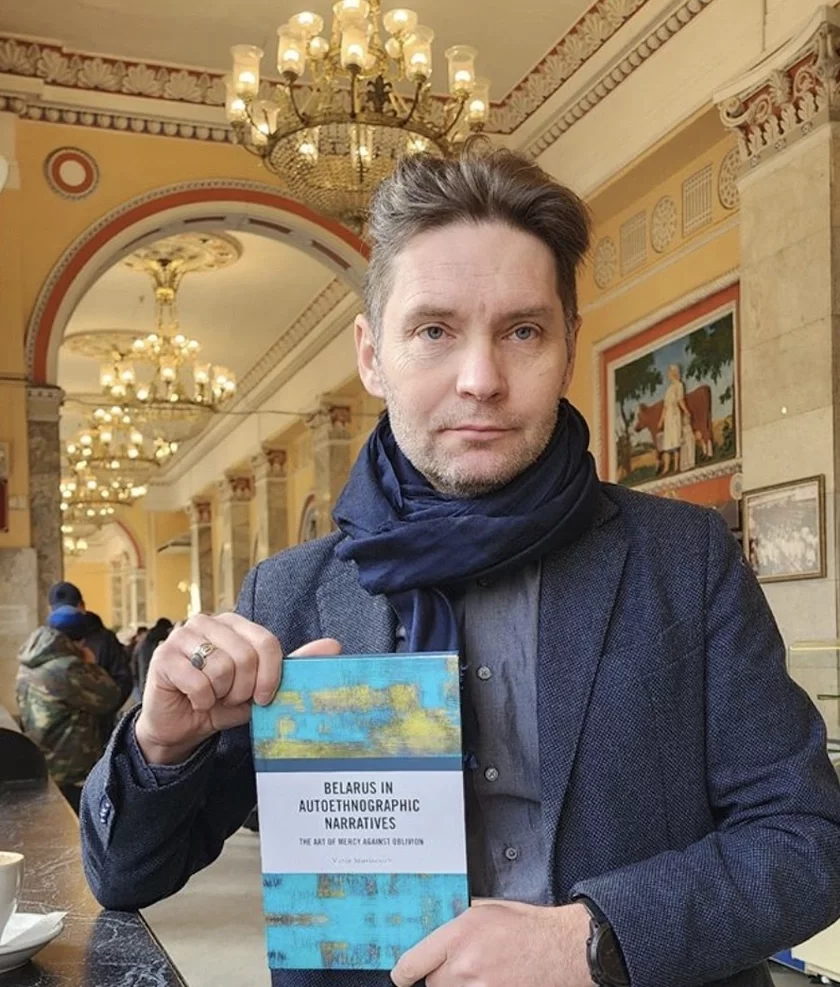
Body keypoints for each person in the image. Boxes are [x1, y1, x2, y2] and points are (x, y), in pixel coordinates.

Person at [80, 146, 840, 987]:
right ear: (372, 354)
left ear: (567, 347)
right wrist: (161, 743)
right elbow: (126, 875)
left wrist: (593, 939)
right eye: (434, 331)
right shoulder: (291, 594)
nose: (481, 379)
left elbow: (807, 837)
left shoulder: (685, 561)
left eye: (523, 331)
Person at [17, 605, 122, 813]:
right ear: (80, 639)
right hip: (70, 770)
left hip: (41, 759)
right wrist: (91, 665)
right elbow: (110, 697)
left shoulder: (29, 661)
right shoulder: (69, 668)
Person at [48, 581, 133, 735]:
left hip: (97, 731)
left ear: (82, 606)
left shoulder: (104, 639)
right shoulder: (45, 643)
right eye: (58, 610)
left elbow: (123, 679)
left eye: (69, 609)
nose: (63, 617)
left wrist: (104, 711)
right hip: (56, 734)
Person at [657, 363, 692, 475]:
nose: (668, 374)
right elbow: (665, 407)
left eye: (670, 372)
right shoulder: (669, 389)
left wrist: (686, 411)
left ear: (674, 373)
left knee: (676, 440)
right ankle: (666, 468)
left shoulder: (679, 385)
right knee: (667, 442)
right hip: (668, 417)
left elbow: (681, 400)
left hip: (675, 415)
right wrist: (661, 420)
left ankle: (676, 466)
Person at [132, 618, 173, 700]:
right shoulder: (149, 644)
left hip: (144, 688)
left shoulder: (146, 642)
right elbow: (144, 669)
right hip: (148, 690)